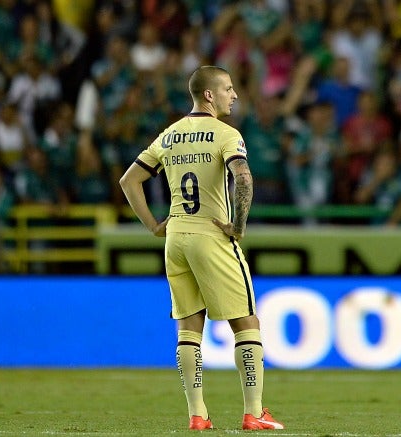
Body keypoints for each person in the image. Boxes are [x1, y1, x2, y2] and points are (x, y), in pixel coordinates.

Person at [119, 65, 284, 431]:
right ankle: (254, 412)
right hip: (211, 234)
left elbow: (129, 180)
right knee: (246, 321)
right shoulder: (228, 135)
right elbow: (243, 176)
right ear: (209, 95)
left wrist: (153, 226)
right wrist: (238, 226)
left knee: (189, 327)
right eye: (228, 88)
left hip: (175, 237)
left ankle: (198, 414)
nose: (234, 95)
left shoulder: (169, 135)